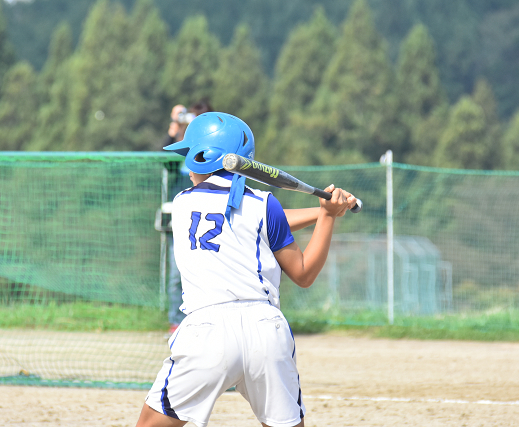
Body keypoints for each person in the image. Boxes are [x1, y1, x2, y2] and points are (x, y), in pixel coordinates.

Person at [137, 112, 356, 427]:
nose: (187, 169)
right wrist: (327, 217)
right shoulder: (265, 205)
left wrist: (324, 210)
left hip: (206, 332)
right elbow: (303, 273)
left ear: (204, 158)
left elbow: (256, 220)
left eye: (191, 156)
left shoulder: (182, 203)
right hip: (266, 331)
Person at [162, 100, 214, 336]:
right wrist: (174, 127)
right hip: (181, 218)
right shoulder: (180, 147)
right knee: (176, 273)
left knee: (209, 270)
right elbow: (162, 158)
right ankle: (176, 322)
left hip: (209, 217)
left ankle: (206, 320)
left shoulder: (214, 149)